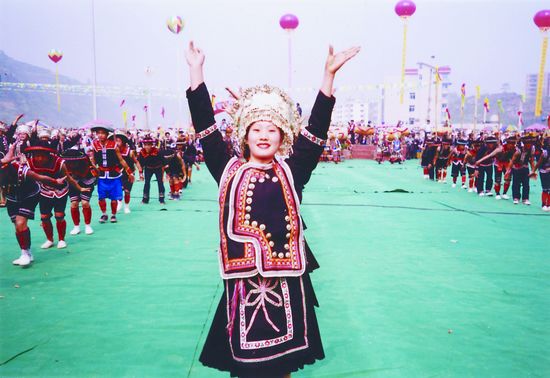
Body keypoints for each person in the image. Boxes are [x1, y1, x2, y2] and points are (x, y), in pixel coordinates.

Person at [185, 40, 360, 378]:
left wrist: (328, 76)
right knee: (245, 366)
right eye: (256, 129)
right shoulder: (227, 169)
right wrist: (196, 72)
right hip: (244, 282)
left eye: (271, 130)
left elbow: (316, 133)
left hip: (288, 278)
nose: (264, 135)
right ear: (244, 135)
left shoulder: (292, 171)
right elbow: (206, 132)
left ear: (282, 137)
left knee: (283, 365)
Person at [1, 145, 67, 266]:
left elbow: (40, 177)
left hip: (29, 194)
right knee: (18, 226)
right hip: (12, 197)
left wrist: (55, 182)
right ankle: (27, 252)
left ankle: (25, 253)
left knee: (21, 223)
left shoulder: (19, 169)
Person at [89, 125, 135, 223]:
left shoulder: (114, 145)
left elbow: (121, 160)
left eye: (103, 133)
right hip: (101, 175)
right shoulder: (94, 145)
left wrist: (130, 172)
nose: (100, 135)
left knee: (114, 198)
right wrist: (93, 168)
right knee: (101, 197)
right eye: (98, 133)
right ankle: (104, 214)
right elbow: (92, 159)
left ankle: (113, 215)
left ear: (107, 134)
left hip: (114, 175)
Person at [137, 136, 166, 204]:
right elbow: (139, 164)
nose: (147, 147)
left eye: (148, 145)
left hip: (158, 168)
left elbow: (164, 161)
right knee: (146, 183)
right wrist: (140, 174)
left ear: (151, 145)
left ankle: (161, 199)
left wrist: (167, 173)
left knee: (160, 183)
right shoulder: (142, 152)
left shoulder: (157, 151)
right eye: (145, 145)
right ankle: (145, 199)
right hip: (148, 169)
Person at [533, 130, 550, 211]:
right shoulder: (545, 152)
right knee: (545, 188)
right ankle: (543, 204)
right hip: (544, 171)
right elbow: (539, 163)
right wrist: (533, 171)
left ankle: (548, 204)